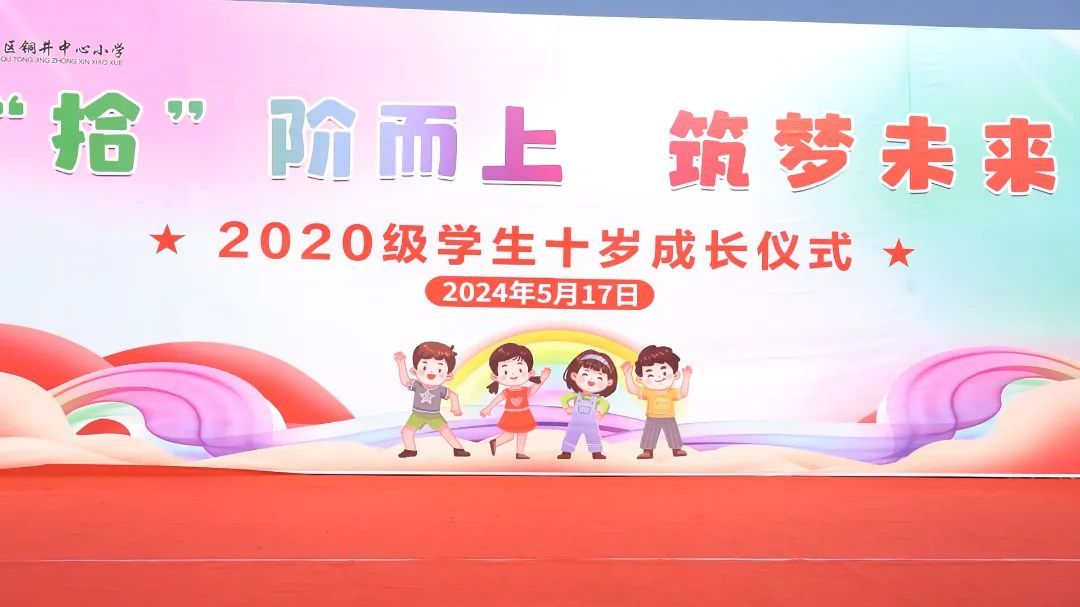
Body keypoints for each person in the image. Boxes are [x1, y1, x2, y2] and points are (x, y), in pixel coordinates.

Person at [393, 341, 470, 458]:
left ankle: (458, 449)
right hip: (417, 415)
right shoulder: (417, 385)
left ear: (448, 376)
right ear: (414, 370)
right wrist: (401, 363)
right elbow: (405, 381)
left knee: (446, 432)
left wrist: (456, 407)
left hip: (434, 415)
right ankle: (410, 450)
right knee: (406, 432)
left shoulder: (440, 389)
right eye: (424, 367)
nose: (431, 373)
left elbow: (453, 395)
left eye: (439, 370)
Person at [479, 343, 550, 460]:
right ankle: (495, 442)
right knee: (509, 435)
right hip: (511, 416)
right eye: (505, 372)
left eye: (520, 369)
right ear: (495, 376)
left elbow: (534, 388)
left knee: (522, 433)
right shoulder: (507, 392)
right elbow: (497, 399)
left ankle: (519, 452)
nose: (513, 374)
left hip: (524, 415)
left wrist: (543, 378)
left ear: (530, 373)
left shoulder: (525, 390)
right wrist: (488, 408)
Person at [621, 345, 692, 459]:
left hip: (669, 417)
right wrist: (627, 374)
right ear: (640, 379)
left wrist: (687, 377)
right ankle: (647, 451)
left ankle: (677, 449)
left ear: (675, 375)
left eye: (664, 372)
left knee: (673, 433)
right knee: (649, 433)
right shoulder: (648, 391)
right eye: (650, 374)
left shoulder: (672, 392)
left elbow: (683, 393)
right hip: (652, 417)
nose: (658, 377)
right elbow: (633, 390)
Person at [557, 349, 617, 460]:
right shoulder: (576, 396)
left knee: (593, 436)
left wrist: (601, 413)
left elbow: (605, 404)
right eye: (585, 374)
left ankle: (596, 452)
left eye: (599, 377)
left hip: (591, 424)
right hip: (575, 422)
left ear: (609, 382)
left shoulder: (597, 399)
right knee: (571, 435)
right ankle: (566, 452)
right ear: (574, 376)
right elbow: (564, 398)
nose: (591, 380)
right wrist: (567, 407)